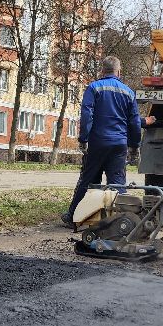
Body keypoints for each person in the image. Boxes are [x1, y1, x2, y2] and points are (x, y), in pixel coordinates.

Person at [61, 56, 153, 227]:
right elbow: (133, 121)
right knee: (117, 183)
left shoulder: (94, 88)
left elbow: (87, 114)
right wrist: (134, 145)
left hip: (97, 143)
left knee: (88, 181)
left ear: (102, 70)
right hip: (119, 144)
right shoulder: (128, 92)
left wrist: (84, 139)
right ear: (119, 71)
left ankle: (74, 218)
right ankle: (122, 221)